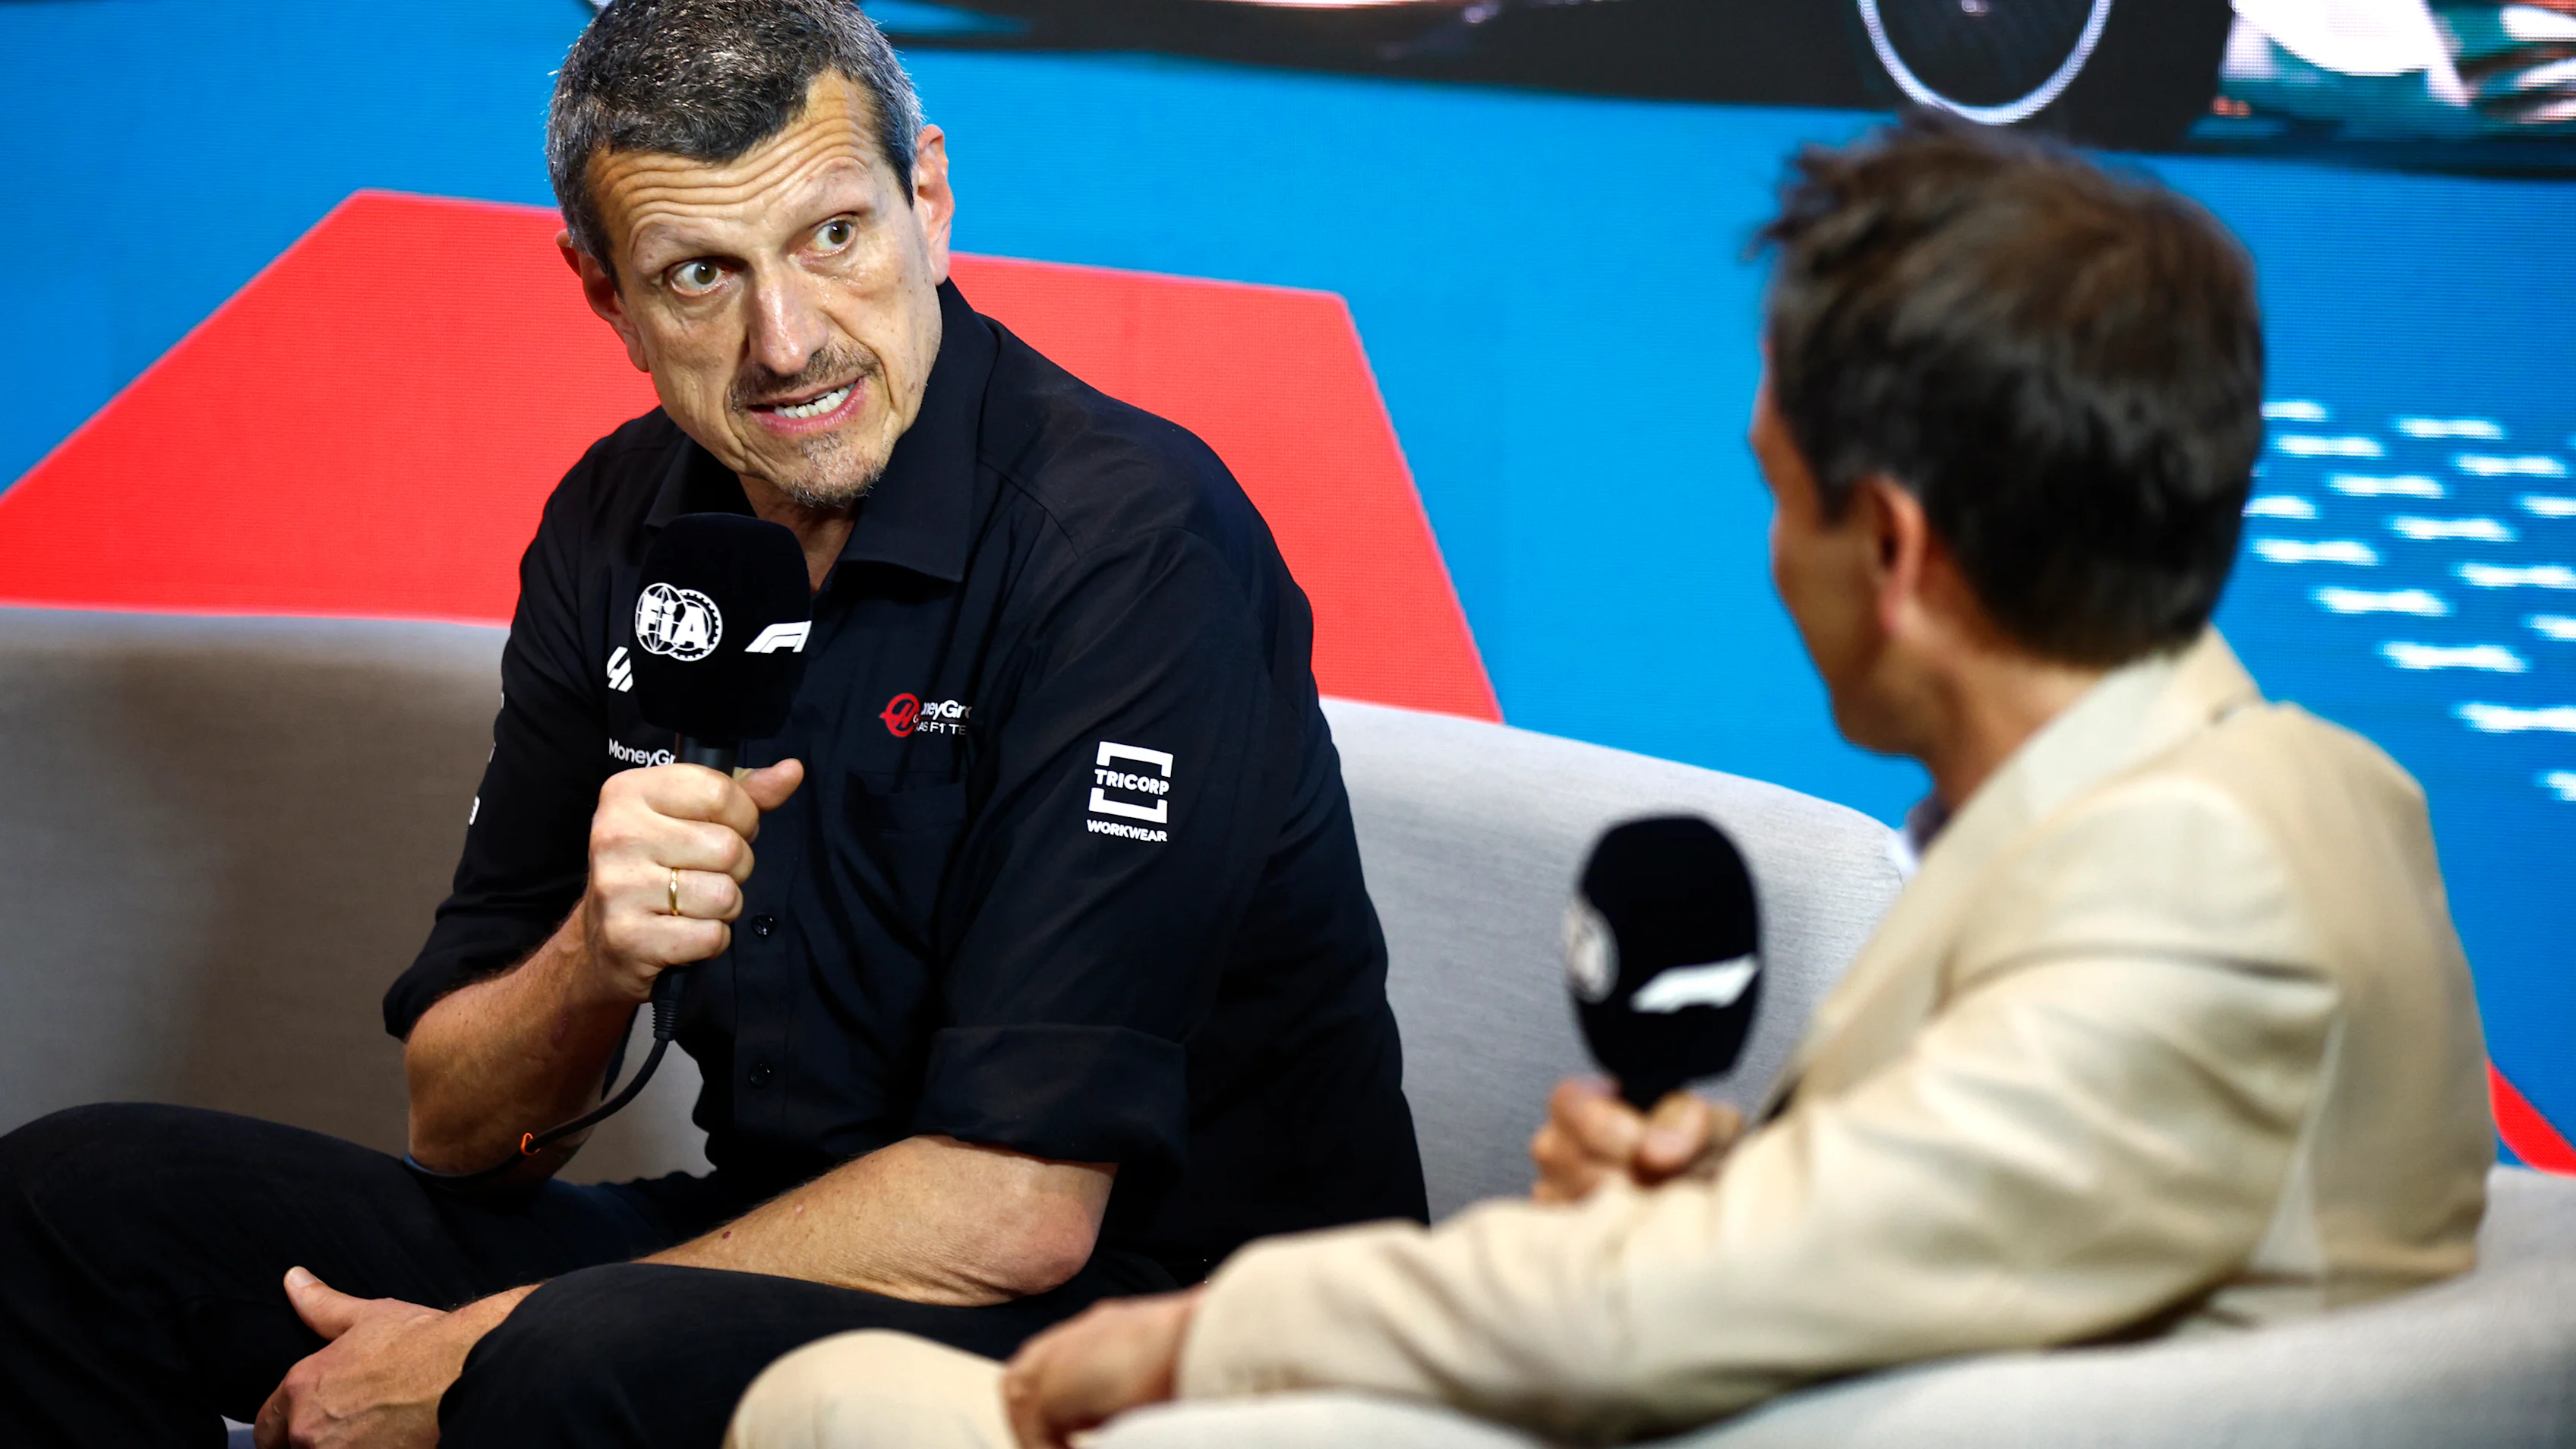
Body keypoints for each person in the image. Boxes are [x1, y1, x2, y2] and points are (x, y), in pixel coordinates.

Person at [721, 117, 2496, 1449]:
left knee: (836, 1401)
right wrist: (1746, 1180)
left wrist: (1207, 1336)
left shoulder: (2187, 893)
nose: (1769, 551)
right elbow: (2044, 1207)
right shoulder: (2294, 793)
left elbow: (1705, 1309)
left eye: (1776, 486)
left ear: (1886, 547)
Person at [0, 2, 1427, 1446]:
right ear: (605, 298)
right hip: (778, 1245)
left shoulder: (1127, 542)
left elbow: (1019, 1210)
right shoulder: (619, 524)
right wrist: (595, 956)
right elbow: (459, 1130)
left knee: (564, 1368)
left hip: (1186, 1327)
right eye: (700, 274)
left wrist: (475, 1347)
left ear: (928, 197)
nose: (788, 342)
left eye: (834, 237)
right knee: (77, 1206)